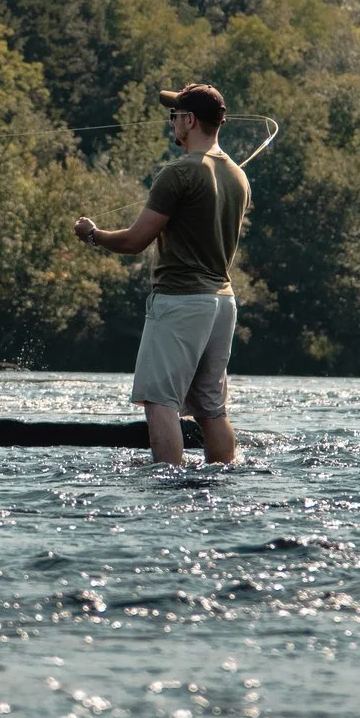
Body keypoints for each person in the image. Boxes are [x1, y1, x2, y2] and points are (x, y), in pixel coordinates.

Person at [74, 84, 250, 466]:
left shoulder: (178, 172)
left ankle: (168, 487)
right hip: (222, 303)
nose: (171, 123)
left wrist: (93, 234)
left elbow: (136, 241)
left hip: (181, 300)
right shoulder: (238, 176)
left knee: (160, 401)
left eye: (175, 116)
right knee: (210, 408)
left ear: (189, 121)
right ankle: (219, 478)